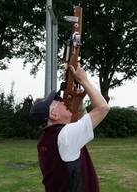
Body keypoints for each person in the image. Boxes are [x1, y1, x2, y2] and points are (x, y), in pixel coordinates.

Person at [29, 63, 110, 192]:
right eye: (58, 102)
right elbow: (103, 108)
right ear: (54, 115)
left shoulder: (48, 138)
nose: (63, 102)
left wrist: (80, 104)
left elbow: (79, 124)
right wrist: (83, 80)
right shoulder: (65, 136)